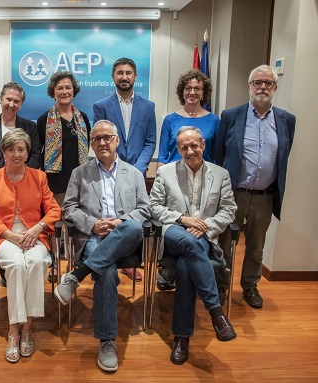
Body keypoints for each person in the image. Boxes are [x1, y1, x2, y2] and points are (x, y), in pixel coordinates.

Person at [55, 120, 150, 372]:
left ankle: (76, 276)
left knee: (130, 226)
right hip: (93, 237)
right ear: (91, 144)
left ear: (117, 141)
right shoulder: (80, 173)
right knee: (106, 271)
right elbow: (68, 208)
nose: (102, 142)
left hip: (125, 237)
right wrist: (94, 224)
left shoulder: (134, 173)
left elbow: (145, 209)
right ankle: (107, 341)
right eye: (97, 139)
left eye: (107, 137)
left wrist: (119, 222)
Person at [149, 126, 238, 365]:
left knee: (187, 267)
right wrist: (182, 219)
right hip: (173, 234)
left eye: (194, 145)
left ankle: (181, 337)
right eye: (184, 147)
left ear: (203, 145)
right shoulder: (166, 172)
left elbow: (229, 209)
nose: (190, 151)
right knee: (188, 241)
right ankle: (216, 312)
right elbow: (154, 207)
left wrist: (205, 225)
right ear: (178, 149)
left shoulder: (221, 174)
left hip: (204, 238)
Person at [214, 64, 296, 309]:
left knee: (256, 247)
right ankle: (221, 287)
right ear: (249, 86)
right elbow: (220, 154)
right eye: (258, 82)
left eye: (268, 83)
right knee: (226, 243)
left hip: (264, 196)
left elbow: (283, 156)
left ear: (275, 87)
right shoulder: (231, 116)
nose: (262, 87)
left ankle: (249, 286)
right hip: (234, 194)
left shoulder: (286, 120)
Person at [0, 129, 61, 363]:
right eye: (11, 149)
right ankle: (14, 331)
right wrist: (12, 237)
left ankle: (28, 329)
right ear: (3, 152)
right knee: (16, 265)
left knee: (35, 262)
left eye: (21, 149)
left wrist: (37, 228)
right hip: (4, 236)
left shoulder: (39, 176)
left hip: (35, 235)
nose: (16, 154)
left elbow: (54, 209)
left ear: (27, 152)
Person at [156, 68, 220, 292]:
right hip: (175, 183)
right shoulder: (170, 119)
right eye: (188, 88)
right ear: (182, 92)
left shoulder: (214, 120)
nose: (192, 92)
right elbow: (163, 155)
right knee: (183, 231)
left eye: (197, 88)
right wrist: (161, 183)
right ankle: (206, 287)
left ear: (204, 93)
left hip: (202, 184)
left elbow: (216, 157)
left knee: (194, 232)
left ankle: (173, 269)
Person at [93, 57, 157, 282]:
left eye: (128, 73)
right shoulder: (101, 106)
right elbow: (100, 140)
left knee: (130, 216)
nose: (124, 77)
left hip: (136, 174)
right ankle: (110, 259)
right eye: (119, 73)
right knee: (111, 211)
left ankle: (118, 261)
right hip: (110, 168)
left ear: (135, 77)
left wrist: (136, 170)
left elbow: (150, 141)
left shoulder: (148, 107)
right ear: (113, 77)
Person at [37, 71, 90, 282]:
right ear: (53, 92)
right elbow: (38, 152)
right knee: (56, 225)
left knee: (75, 224)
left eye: (68, 87)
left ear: (74, 91)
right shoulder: (44, 120)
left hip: (80, 180)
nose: (64, 91)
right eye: (59, 88)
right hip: (55, 180)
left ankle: (74, 265)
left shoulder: (82, 118)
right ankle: (56, 265)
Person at [0, 82, 41, 194]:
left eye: (16, 101)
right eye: (8, 99)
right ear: (1, 99)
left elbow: (36, 156)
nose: (11, 104)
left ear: (21, 104)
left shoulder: (30, 127)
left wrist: (22, 178)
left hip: (25, 187)